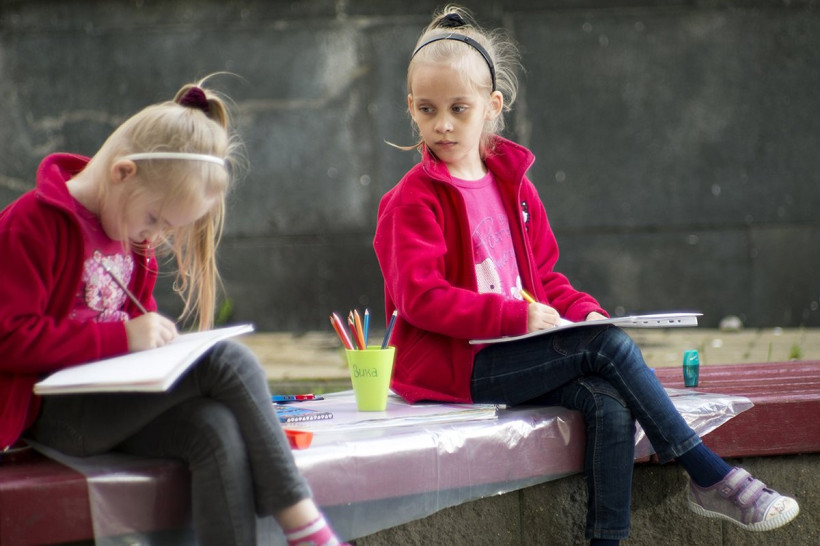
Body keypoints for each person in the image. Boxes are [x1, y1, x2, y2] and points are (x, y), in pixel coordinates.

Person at [372, 6, 800, 545]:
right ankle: (708, 473)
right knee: (608, 348)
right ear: (411, 107)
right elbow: (420, 298)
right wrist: (516, 316)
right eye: (428, 109)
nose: (443, 124)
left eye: (459, 108)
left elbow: (544, 278)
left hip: (512, 353)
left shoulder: (513, 187)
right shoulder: (411, 200)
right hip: (455, 367)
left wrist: (583, 313)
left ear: (492, 106)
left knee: (607, 399)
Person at [0, 78, 344, 546]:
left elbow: (137, 328)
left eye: (167, 227)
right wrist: (125, 338)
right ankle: (303, 523)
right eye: (154, 219)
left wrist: (159, 348)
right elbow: (10, 338)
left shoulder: (129, 230)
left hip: (113, 401)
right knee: (229, 360)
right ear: (123, 173)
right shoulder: (33, 223)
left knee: (215, 428)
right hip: (54, 415)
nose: (154, 237)